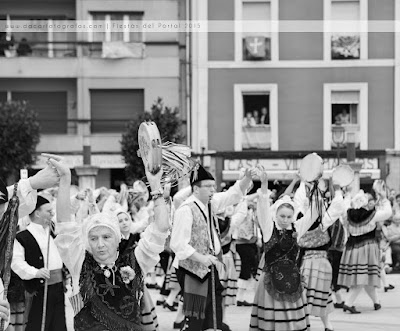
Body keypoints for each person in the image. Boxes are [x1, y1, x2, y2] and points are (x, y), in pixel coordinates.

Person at [50, 153, 169, 330]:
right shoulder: (79, 263)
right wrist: (65, 179)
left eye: (106, 237)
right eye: (93, 238)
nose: (100, 244)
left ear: (118, 237)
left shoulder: (135, 261)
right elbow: (64, 225)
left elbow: (160, 229)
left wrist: (155, 185)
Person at [170, 163, 254, 331]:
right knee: (196, 317)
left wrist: (247, 178)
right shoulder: (185, 210)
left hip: (209, 268)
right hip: (192, 269)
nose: (212, 190)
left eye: (213, 186)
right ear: (195, 189)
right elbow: (178, 244)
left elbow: (233, 195)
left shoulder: (210, 203)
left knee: (213, 315)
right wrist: (201, 258)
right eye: (208, 187)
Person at [250, 171, 320, 331]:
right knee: (272, 322)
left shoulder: (298, 227)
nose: (285, 219)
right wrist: (264, 186)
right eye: (282, 216)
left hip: (293, 279)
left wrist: (313, 188)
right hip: (270, 280)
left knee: (292, 322)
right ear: (276, 214)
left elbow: (314, 212)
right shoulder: (269, 229)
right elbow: (262, 209)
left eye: (289, 216)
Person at [11, 195, 67, 331]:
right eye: (48, 211)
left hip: (58, 288)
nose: (52, 213)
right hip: (39, 289)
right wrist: (36, 272)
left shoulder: (53, 231)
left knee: (59, 325)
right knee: (38, 325)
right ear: (37, 213)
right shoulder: (22, 237)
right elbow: (16, 263)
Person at [297, 187, 345, 331]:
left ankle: (322, 325)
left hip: (312, 261)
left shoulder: (305, 218)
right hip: (314, 261)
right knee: (312, 295)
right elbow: (338, 206)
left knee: (311, 294)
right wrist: (338, 191)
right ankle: (321, 325)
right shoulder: (306, 218)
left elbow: (337, 207)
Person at [338, 187, 392, 313]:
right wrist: (384, 198)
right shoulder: (372, 215)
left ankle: (376, 302)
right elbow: (388, 213)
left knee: (365, 277)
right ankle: (348, 303)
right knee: (362, 277)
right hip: (367, 248)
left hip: (352, 249)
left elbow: (344, 205)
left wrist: (346, 195)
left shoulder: (347, 213)